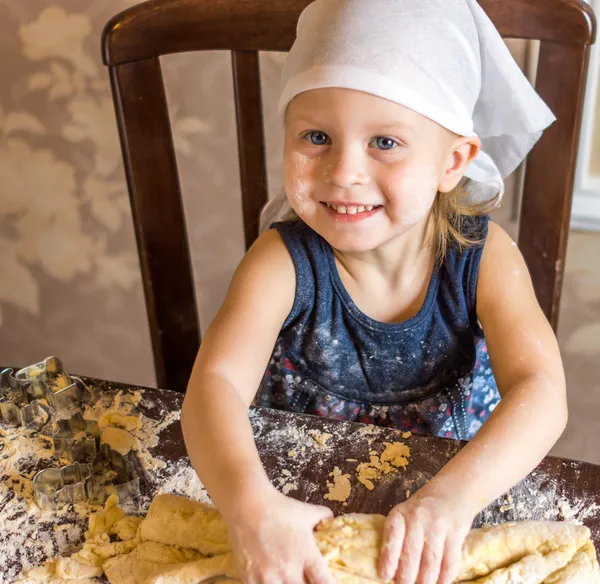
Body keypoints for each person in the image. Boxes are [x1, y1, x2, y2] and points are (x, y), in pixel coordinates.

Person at [181, 1, 566, 582]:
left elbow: (542, 392)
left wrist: (451, 500)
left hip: (453, 502)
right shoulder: (281, 263)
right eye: (317, 137)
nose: (343, 172)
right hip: (297, 503)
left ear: (453, 161)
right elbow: (214, 385)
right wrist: (249, 507)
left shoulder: (483, 259)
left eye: (385, 142)